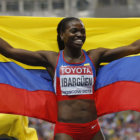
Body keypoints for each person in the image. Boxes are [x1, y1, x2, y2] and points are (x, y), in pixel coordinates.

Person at [0, 17, 140, 140]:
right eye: (74, 31)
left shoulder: (94, 56)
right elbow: (10, 51)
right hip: (66, 131)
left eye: (82, 31)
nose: (79, 34)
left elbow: (133, 47)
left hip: (92, 128)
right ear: (62, 35)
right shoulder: (52, 59)